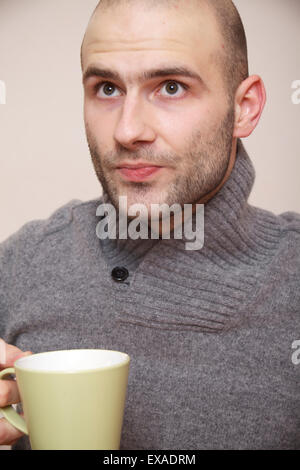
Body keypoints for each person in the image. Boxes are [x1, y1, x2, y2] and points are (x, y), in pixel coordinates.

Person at [0, 0, 299, 450]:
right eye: (106, 88)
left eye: (172, 87)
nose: (127, 130)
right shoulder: (21, 263)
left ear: (245, 107)